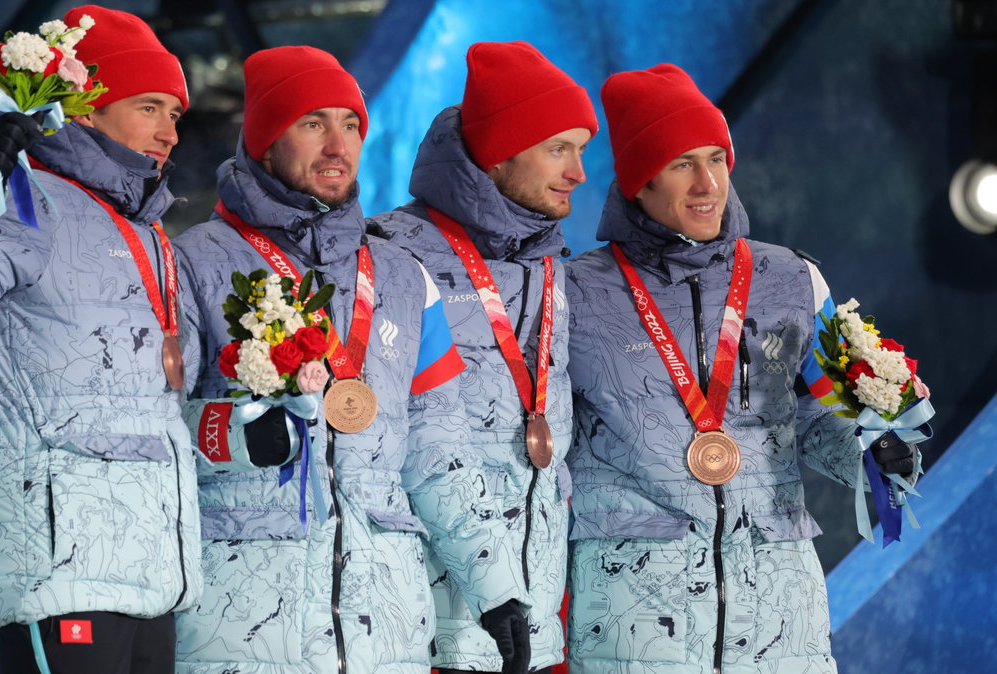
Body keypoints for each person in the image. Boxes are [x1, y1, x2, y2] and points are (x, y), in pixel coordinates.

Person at [171, 46, 532, 674]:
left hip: (383, 631)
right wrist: (234, 432)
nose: (338, 144)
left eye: (351, 125)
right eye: (313, 123)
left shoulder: (402, 276)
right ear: (262, 140)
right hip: (246, 627)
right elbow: (158, 421)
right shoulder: (193, 263)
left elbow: (438, 447)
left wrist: (497, 587)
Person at [0, 6, 199, 673]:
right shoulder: (24, 200)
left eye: (175, 113)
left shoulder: (150, 234)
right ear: (84, 109)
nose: (170, 131)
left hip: (154, 577)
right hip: (58, 573)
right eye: (149, 107)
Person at [564, 63, 920, 673]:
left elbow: (818, 410)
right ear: (637, 182)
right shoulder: (575, 293)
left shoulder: (791, 277)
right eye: (681, 164)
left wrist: (876, 449)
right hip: (636, 620)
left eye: (717, 159)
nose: (708, 183)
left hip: (781, 613)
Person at [369, 41, 596, 674]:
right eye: (559, 149)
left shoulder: (551, 267)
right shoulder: (390, 254)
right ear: (497, 156)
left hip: (538, 621)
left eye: (581, 150)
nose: (578, 172)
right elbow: (403, 441)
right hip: (430, 624)